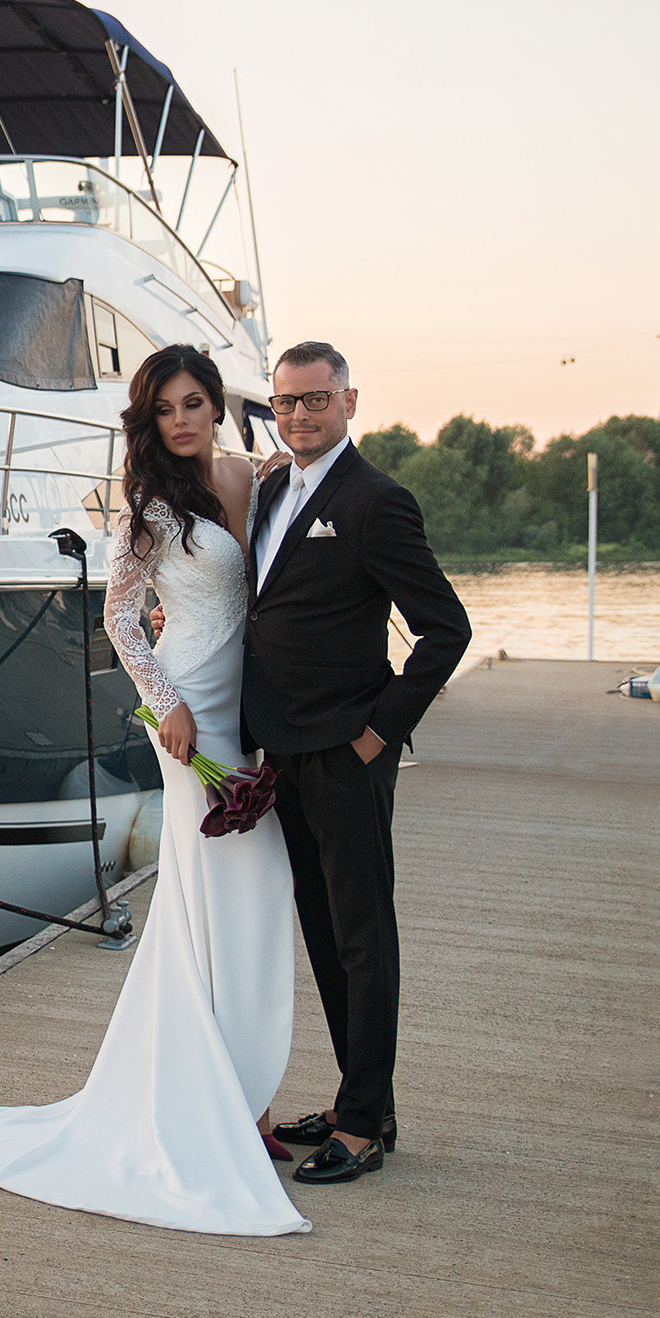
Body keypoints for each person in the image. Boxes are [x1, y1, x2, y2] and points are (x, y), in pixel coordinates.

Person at [0, 345, 310, 1236]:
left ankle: (244, 1089)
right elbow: (120, 614)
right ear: (148, 421)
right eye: (165, 408)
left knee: (260, 893)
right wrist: (168, 704)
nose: (182, 418)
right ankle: (234, 1109)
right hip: (191, 713)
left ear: (215, 408)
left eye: (194, 402)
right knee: (209, 894)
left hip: (251, 704)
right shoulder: (151, 504)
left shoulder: (256, 480)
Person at [244, 341, 470, 1185]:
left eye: (315, 400)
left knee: (366, 937)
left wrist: (378, 734)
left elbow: (446, 630)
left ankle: (367, 1123)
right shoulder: (272, 489)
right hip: (284, 752)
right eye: (286, 402)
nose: (300, 415)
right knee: (326, 934)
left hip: (346, 750)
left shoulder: (377, 501)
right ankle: (355, 1098)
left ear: (348, 401)